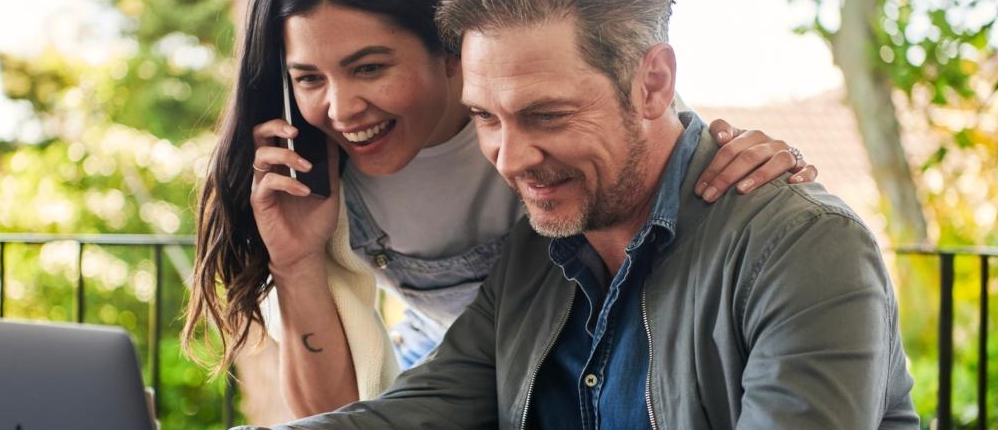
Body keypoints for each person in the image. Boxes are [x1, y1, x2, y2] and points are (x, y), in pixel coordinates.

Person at [185, 0, 822, 418]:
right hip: (445, 370)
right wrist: (296, 262)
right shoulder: (319, 176)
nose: (343, 109)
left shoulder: (524, 90)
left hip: (582, 358)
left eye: (370, 68)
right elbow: (338, 411)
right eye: (310, 79)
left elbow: (658, 135)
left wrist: (758, 157)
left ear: (451, 56)